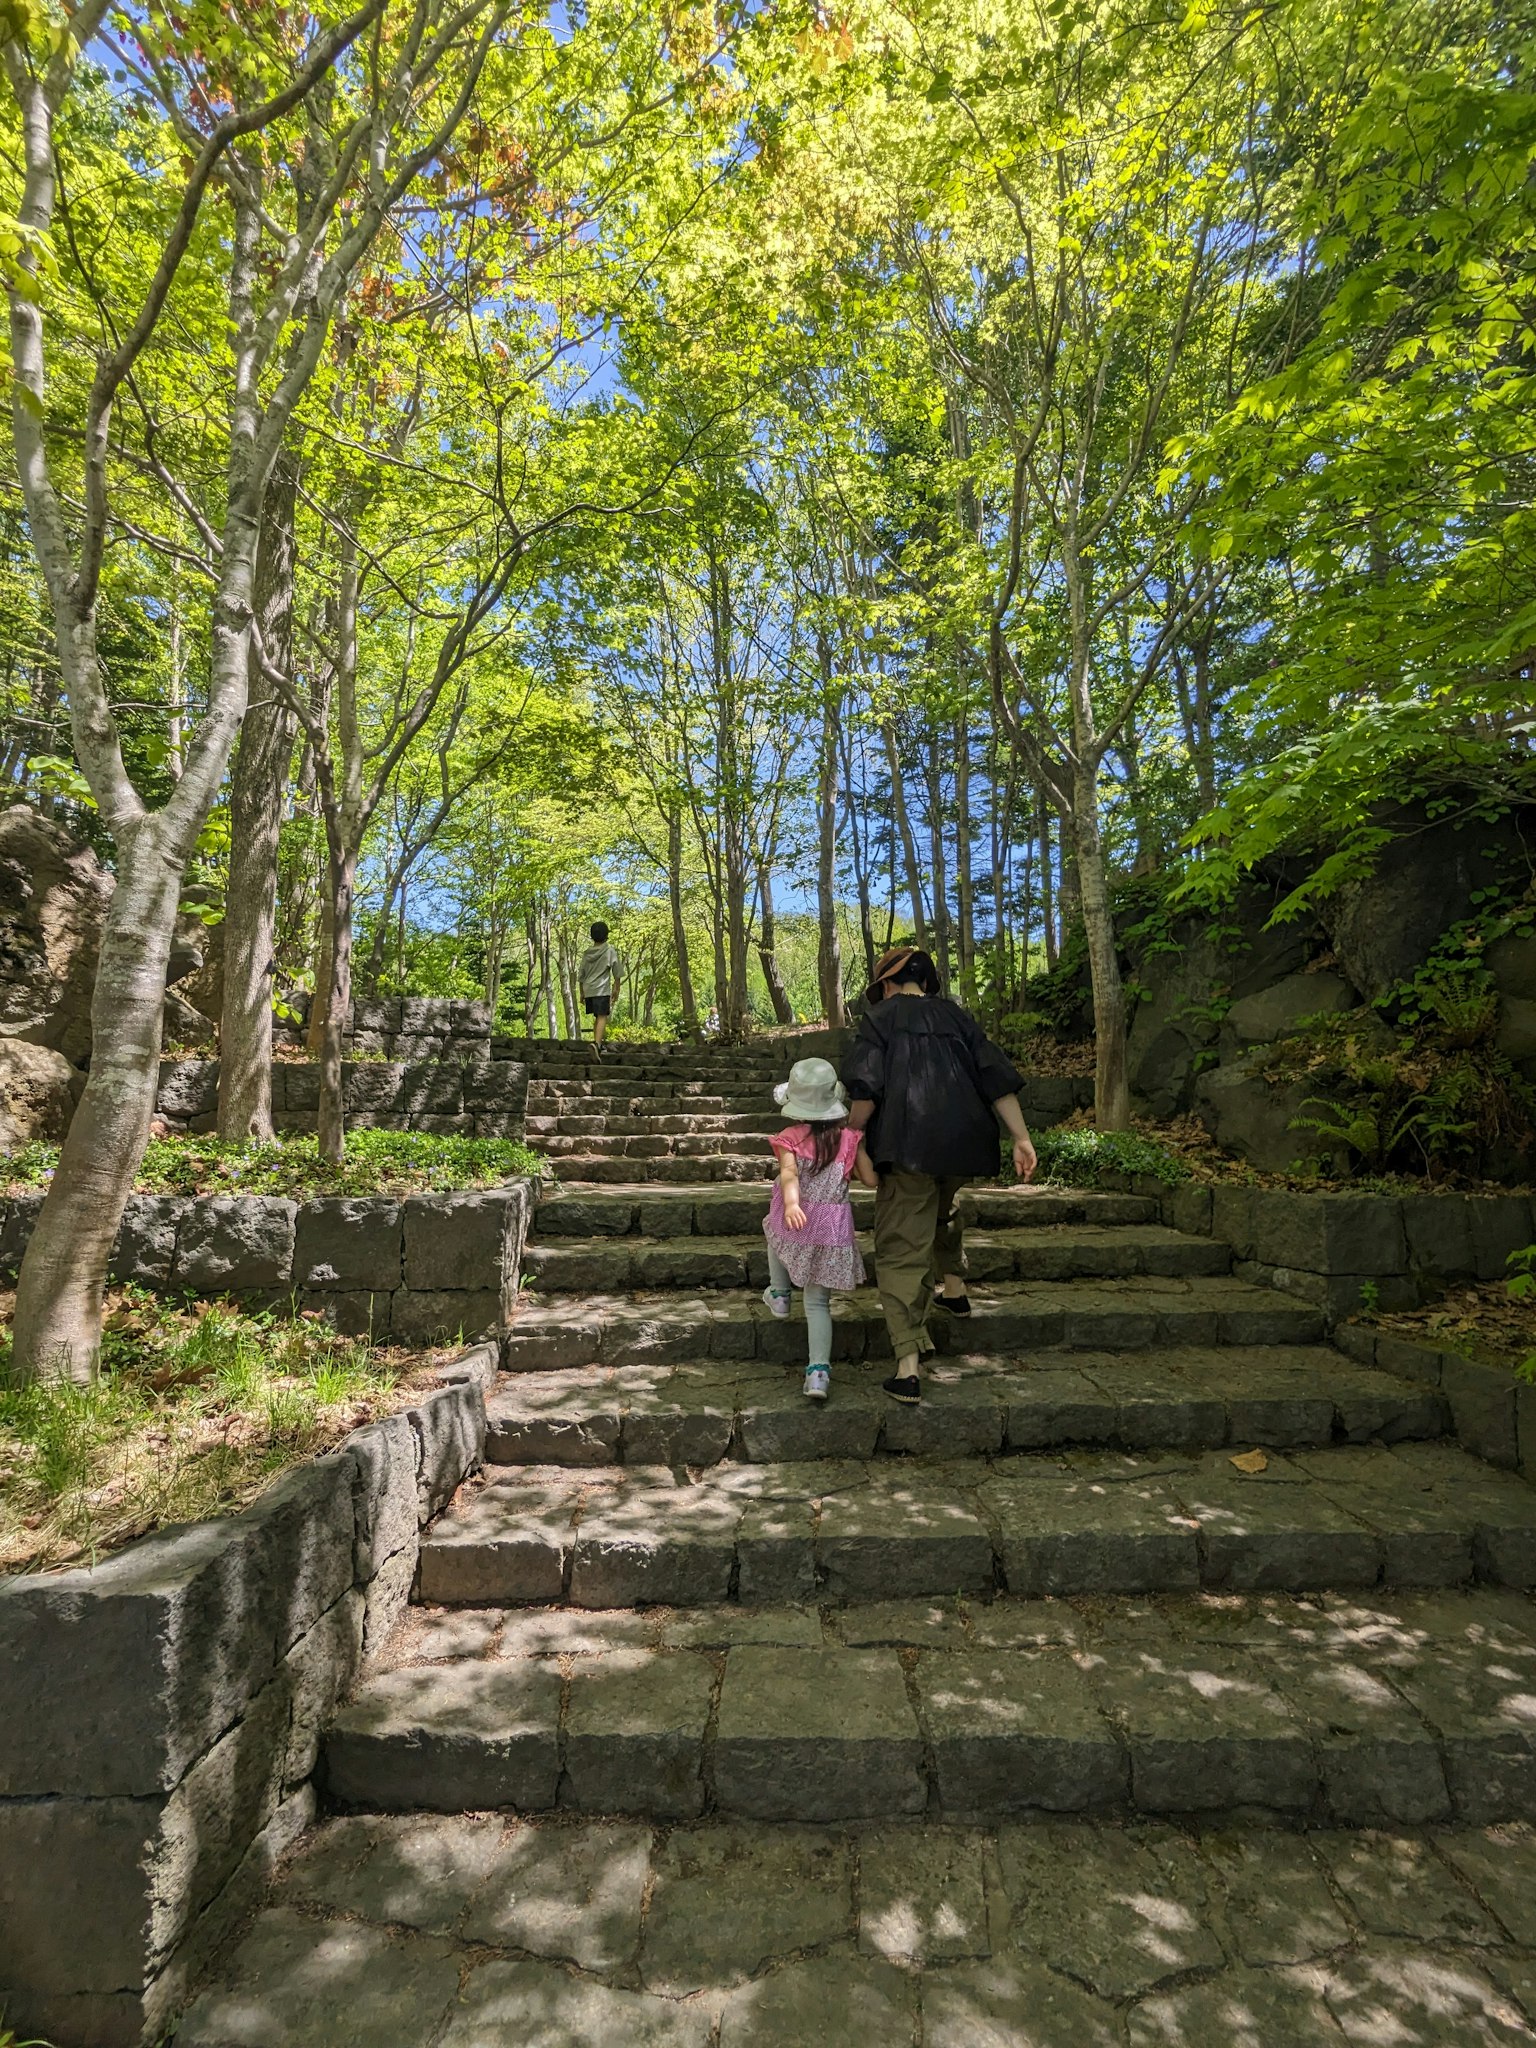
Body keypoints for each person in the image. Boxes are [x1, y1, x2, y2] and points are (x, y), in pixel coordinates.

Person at [844, 945, 1037, 1405]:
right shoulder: (957, 1017)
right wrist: (1021, 1137)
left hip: (908, 1144)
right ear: (927, 982)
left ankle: (908, 1366)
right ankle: (955, 1288)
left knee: (901, 1247)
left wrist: (851, 1140)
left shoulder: (881, 1019)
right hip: (964, 1141)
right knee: (943, 1208)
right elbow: (996, 1077)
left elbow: (867, 1086)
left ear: (886, 986)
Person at [761, 1056, 878, 1402]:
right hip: (832, 1228)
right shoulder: (850, 1140)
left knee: (772, 1230)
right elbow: (870, 1179)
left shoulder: (790, 1138)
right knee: (817, 1304)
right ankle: (818, 1374)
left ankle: (780, 1294)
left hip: (798, 1219)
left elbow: (789, 1174)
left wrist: (794, 1203)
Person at [577, 920, 621, 1055]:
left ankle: (598, 1044)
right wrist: (616, 988)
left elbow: (581, 974)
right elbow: (617, 971)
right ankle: (597, 1043)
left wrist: (582, 992)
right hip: (602, 989)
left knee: (598, 1016)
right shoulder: (609, 951)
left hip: (589, 989)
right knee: (602, 1016)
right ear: (606, 935)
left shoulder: (586, 953)